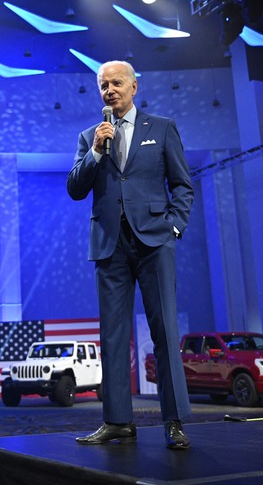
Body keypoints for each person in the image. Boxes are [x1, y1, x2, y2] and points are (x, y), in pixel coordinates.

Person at [67, 60, 194, 450]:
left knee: (164, 333)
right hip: (110, 246)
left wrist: (173, 227)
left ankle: (173, 421)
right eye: (103, 85)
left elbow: (182, 186)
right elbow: (75, 188)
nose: (109, 90)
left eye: (116, 83)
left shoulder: (162, 128)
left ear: (134, 87)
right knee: (113, 336)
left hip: (155, 242)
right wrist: (94, 154)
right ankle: (118, 420)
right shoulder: (90, 135)